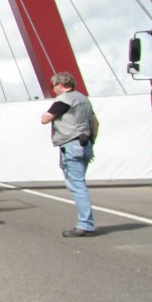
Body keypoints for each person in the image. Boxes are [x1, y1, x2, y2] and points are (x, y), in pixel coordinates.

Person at [41, 71, 99, 237]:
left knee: (77, 186)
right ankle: (86, 223)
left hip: (71, 145)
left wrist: (46, 115)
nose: (53, 89)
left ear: (61, 85)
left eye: (53, 86)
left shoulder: (64, 100)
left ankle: (85, 225)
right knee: (79, 183)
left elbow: (45, 119)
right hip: (86, 144)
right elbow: (95, 123)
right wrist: (91, 141)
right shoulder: (84, 99)